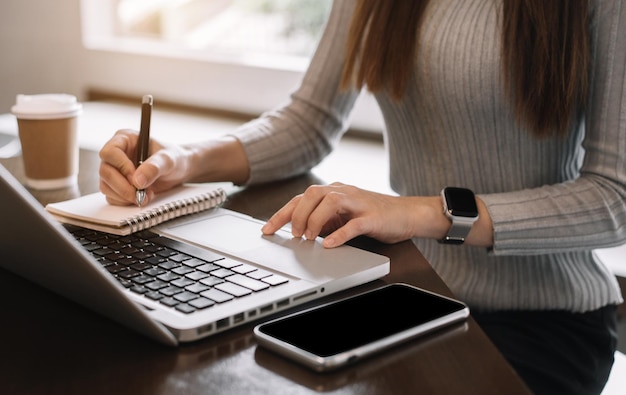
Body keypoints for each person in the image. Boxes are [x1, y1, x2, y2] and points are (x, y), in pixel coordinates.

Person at [99, 1, 625, 393]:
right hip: (409, 296)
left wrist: (424, 212)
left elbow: (613, 197)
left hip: (543, 323)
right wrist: (183, 161)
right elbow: (309, 122)